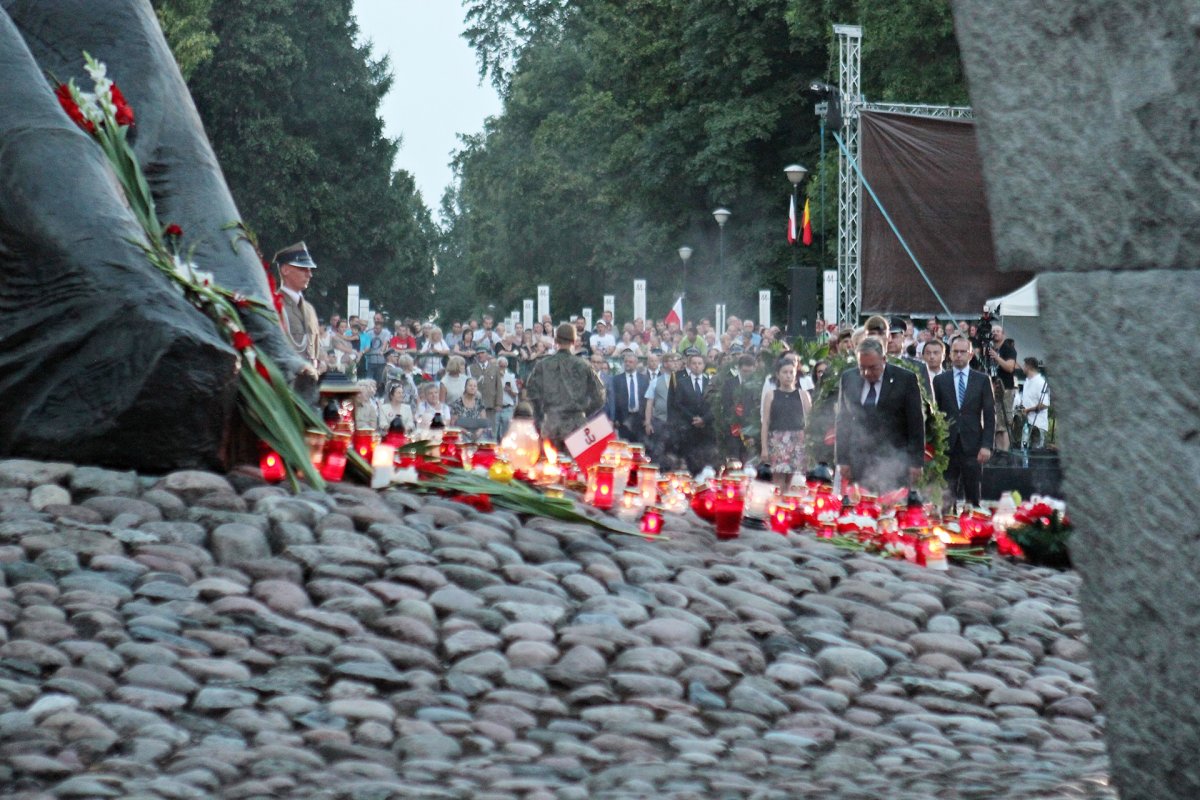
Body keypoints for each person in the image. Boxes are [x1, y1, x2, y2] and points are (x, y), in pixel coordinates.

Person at [835, 338, 925, 493]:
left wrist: (916, 463)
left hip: (894, 459)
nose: (867, 373)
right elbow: (843, 421)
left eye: (872, 368)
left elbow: (915, 423)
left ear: (883, 359)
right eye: (862, 367)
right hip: (858, 460)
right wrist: (842, 460)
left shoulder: (905, 380)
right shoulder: (848, 378)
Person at [932, 336, 995, 508]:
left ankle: (973, 520)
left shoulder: (982, 380)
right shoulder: (940, 380)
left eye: (963, 352)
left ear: (970, 354)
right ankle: (947, 520)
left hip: (973, 444)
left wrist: (987, 445)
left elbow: (989, 415)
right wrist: (935, 444)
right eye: (955, 352)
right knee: (946, 496)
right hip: (947, 444)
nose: (959, 355)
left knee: (973, 495)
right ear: (950, 354)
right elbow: (936, 414)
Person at [524, 323, 607, 448]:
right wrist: (583, 412)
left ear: (556, 340)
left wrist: (541, 416)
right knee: (577, 460)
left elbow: (531, 394)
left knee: (549, 459)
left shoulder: (542, 365)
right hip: (577, 425)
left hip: (551, 423)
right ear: (574, 341)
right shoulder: (584, 365)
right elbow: (600, 396)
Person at [273, 241, 321, 370]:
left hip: (308, 377)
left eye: (310, 270)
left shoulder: (309, 310)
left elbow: (315, 351)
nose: (309, 274)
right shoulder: (274, 305)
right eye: (303, 269)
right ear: (285, 270)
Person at [761, 359, 811, 479]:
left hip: (798, 442)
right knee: (778, 479)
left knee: (796, 480)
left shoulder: (803, 395)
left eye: (791, 372)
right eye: (784, 372)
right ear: (778, 375)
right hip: (777, 441)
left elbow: (810, 421)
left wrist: (810, 447)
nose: (788, 376)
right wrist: (764, 448)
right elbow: (765, 422)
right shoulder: (771, 395)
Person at [669, 350, 714, 474]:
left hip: (705, 426)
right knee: (689, 457)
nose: (697, 366)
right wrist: (692, 418)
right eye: (694, 363)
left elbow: (714, 405)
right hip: (688, 425)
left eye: (699, 363)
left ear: (704, 366)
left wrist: (704, 419)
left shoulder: (710, 383)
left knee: (705, 456)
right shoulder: (682, 383)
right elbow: (678, 404)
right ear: (689, 365)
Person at [986, 323, 1019, 451]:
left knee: (1004, 422)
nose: (994, 333)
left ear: (1003, 334)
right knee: (997, 423)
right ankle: (999, 452)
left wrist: (997, 357)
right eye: (993, 331)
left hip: (1006, 389)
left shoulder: (1008, 348)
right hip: (994, 389)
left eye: (997, 331)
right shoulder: (991, 349)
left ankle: (1005, 452)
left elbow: (1010, 367)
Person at [722, 354, 759, 461]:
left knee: (750, 462)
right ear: (738, 368)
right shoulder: (729, 383)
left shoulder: (757, 384)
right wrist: (735, 420)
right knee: (734, 461)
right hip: (733, 429)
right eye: (744, 371)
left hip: (751, 430)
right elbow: (726, 405)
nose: (747, 374)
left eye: (750, 371)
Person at [611, 352, 649, 444]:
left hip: (640, 419)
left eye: (630, 362)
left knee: (640, 445)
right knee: (625, 446)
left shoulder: (644, 379)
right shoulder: (616, 379)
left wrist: (647, 419)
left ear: (636, 363)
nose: (627, 364)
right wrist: (615, 418)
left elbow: (648, 400)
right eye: (626, 362)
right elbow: (613, 400)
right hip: (623, 419)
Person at [1016, 357, 1050, 449]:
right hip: (1027, 423)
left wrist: (1028, 410)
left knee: (1036, 451)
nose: (1023, 367)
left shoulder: (1041, 382)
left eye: (1024, 365)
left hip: (1038, 425)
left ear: (1029, 367)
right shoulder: (1027, 381)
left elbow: (1045, 404)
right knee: (1024, 450)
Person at [496, 356, 519, 439]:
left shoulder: (510, 377)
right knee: (494, 433)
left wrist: (509, 390)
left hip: (507, 408)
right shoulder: (492, 376)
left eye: (504, 366)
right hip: (495, 408)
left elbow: (515, 393)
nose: (502, 368)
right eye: (501, 366)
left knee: (506, 434)